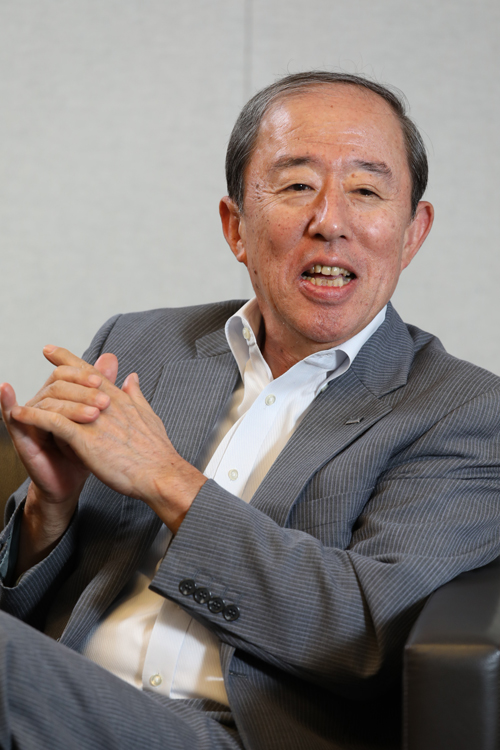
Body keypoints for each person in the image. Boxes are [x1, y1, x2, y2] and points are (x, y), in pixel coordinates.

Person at [0, 71, 499, 750]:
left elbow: (365, 634)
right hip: (62, 705)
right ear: (236, 227)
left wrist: (166, 478)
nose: (330, 221)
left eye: (366, 190)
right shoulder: (139, 344)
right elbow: (21, 606)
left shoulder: (465, 412)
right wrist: (48, 512)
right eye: (296, 186)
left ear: (413, 233)